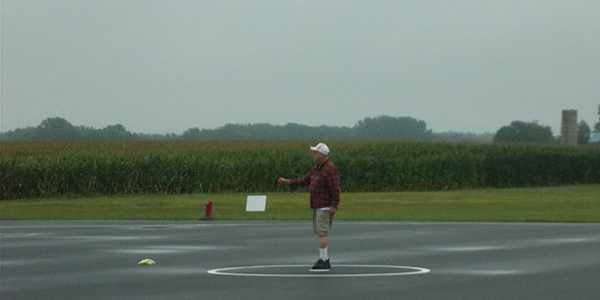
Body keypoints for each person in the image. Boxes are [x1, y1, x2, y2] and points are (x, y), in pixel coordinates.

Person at [278, 142, 340, 271]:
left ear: (322, 154)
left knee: (321, 233)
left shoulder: (330, 169)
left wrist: (334, 204)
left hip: (324, 206)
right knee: (319, 233)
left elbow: (335, 188)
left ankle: (325, 259)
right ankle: (323, 258)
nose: (314, 155)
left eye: (316, 153)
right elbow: (304, 180)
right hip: (317, 206)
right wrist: (288, 182)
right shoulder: (316, 169)